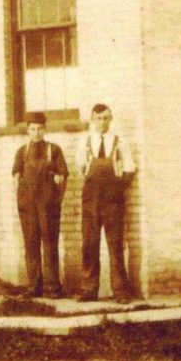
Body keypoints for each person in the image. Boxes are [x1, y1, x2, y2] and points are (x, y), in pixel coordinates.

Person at [74, 103, 136, 303]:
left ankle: (121, 291)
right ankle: (89, 289)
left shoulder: (120, 142)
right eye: (98, 118)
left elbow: (129, 169)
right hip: (91, 200)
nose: (102, 122)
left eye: (106, 118)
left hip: (113, 201)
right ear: (92, 120)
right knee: (89, 244)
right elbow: (81, 167)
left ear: (111, 119)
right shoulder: (84, 142)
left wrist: (117, 189)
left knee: (115, 245)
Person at [12, 111, 68, 298]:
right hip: (28, 206)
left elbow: (63, 177)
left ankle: (52, 287)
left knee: (50, 244)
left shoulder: (54, 150)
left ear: (45, 130)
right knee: (31, 244)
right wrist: (20, 199)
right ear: (28, 130)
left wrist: (56, 201)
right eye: (33, 129)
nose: (36, 133)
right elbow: (16, 176)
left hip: (48, 205)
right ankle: (34, 286)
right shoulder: (22, 152)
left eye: (39, 129)